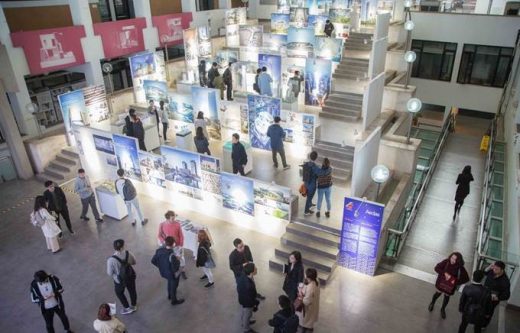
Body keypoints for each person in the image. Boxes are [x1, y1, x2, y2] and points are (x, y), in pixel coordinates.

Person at [428, 252, 470, 319]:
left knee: (446, 297)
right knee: (437, 293)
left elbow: (466, 279)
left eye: (455, 259)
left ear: (458, 260)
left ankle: (443, 309)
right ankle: (432, 303)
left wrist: (455, 281)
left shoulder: (460, 268)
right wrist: (444, 273)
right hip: (441, 282)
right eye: (452, 258)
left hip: (450, 286)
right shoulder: (446, 262)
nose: (452, 260)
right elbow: (436, 268)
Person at [106, 239, 137, 315]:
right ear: (123, 246)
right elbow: (134, 262)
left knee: (119, 293)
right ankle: (133, 305)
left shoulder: (111, 260)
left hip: (119, 280)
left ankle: (127, 308)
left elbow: (109, 273)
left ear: (114, 247)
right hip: (130, 277)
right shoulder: (128, 253)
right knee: (132, 290)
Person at [151, 236, 185, 305]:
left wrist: (161, 266)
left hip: (164, 272)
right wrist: (178, 259)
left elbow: (153, 261)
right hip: (172, 274)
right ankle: (174, 300)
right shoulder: (172, 256)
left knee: (169, 282)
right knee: (174, 285)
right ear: (173, 244)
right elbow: (175, 268)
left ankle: (170, 295)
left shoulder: (159, 250)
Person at [157, 210, 187, 279]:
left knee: (181, 258)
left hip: (177, 245)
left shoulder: (177, 224)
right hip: (168, 246)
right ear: (167, 218)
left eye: (174, 218)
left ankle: (183, 271)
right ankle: (173, 270)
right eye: (172, 219)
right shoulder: (162, 225)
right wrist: (164, 242)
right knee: (170, 259)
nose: (174, 220)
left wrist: (181, 245)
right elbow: (159, 235)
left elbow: (181, 235)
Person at [482, 261, 511, 327]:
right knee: (481, 308)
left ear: (502, 270)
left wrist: (497, 298)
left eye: (496, 269)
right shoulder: (492, 271)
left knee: (488, 313)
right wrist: (490, 266)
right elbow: (484, 272)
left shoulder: (505, 281)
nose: (494, 270)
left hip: (492, 301)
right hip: (484, 295)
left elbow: (507, 295)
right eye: (494, 268)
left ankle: (484, 324)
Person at [237, 263, 260, 333]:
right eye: (255, 268)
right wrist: (255, 303)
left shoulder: (243, 275)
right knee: (248, 314)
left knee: (244, 312)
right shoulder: (248, 285)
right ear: (251, 272)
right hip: (247, 302)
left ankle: (244, 322)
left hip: (242, 299)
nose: (256, 269)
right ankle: (246, 329)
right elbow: (250, 298)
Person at [296, 268, 320, 332]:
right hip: (313, 306)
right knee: (310, 321)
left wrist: (300, 292)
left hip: (308, 309)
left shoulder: (311, 287)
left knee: (306, 323)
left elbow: (306, 301)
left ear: (307, 276)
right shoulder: (316, 280)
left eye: (305, 273)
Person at [302, 151, 323, 216]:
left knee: (309, 196)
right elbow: (320, 174)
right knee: (309, 198)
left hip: (306, 183)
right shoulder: (315, 167)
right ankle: (306, 211)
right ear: (316, 158)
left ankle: (310, 204)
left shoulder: (306, 164)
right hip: (312, 185)